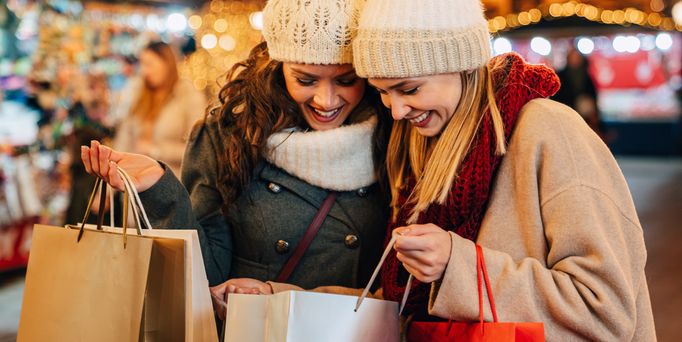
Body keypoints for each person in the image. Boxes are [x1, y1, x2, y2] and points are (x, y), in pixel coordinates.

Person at [347, 0, 655, 340]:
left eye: (409, 89)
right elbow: (413, 312)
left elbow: (604, 310)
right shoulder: (423, 145)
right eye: (382, 92)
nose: (397, 110)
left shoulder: (548, 131)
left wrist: (457, 265)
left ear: (463, 64)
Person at [80, 0, 391, 318]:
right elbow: (207, 277)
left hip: (355, 329)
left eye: (346, 80)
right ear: (276, 66)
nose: (326, 100)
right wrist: (159, 190)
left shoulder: (394, 134)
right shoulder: (228, 134)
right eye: (306, 80)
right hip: (258, 331)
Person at [112, 41, 206, 176]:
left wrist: (157, 151)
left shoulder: (188, 97)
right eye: (142, 64)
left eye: (149, 64)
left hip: (171, 183)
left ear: (167, 64)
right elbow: (125, 137)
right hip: (135, 183)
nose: (145, 71)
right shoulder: (140, 94)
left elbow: (198, 149)